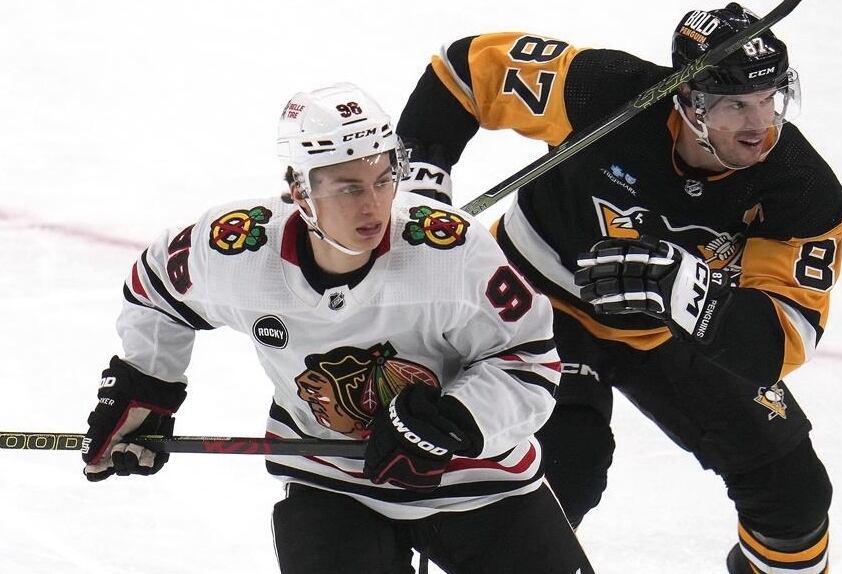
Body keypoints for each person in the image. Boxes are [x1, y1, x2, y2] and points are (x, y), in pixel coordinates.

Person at [396, 3, 842, 573]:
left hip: (669, 329)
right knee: (565, 470)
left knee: (793, 495)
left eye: (769, 98)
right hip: (533, 302)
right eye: (735, 104)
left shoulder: (799, 185)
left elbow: (783, 339)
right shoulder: (602, 92)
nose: (759, 125)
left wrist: (692, 294)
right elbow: (464, 71)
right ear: (688, 99)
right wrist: (421, 188)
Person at [81, 82, 594, 574]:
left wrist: (456, 418)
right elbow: (156, 287)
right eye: (348, 188)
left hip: (479, 481)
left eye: (383, 179)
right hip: (331, 481)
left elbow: (529, 358)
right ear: (299, 191)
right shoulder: (237, 248)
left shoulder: (452, 251)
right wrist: (146, 390)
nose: (372, 206)